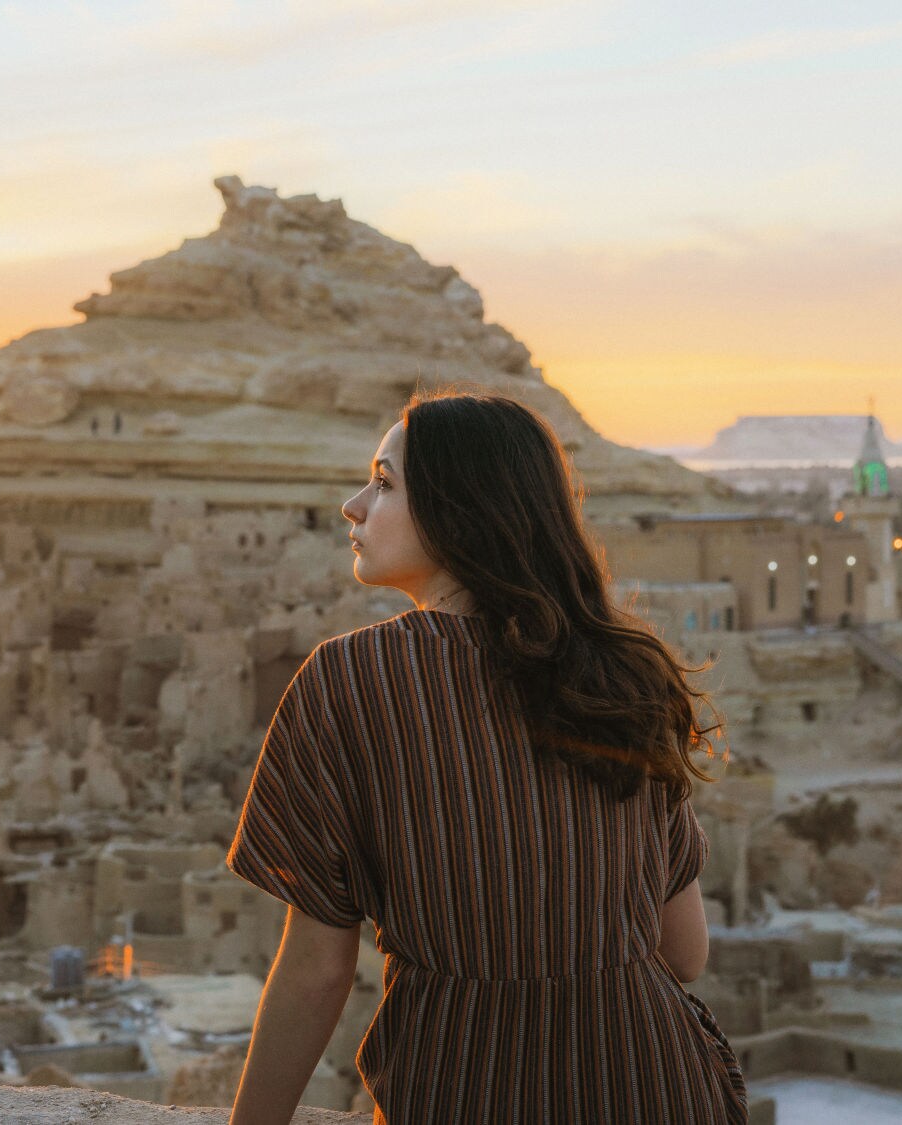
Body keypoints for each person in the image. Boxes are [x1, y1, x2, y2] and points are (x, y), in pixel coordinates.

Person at [225, 392, 747, 1124]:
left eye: (383, 483)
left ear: (458, 510)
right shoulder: (622, 673)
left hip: (464, 1087)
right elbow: (685, 952)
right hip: (656, 1091)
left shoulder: (350, 680)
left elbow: (316, 970)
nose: (353, 505)